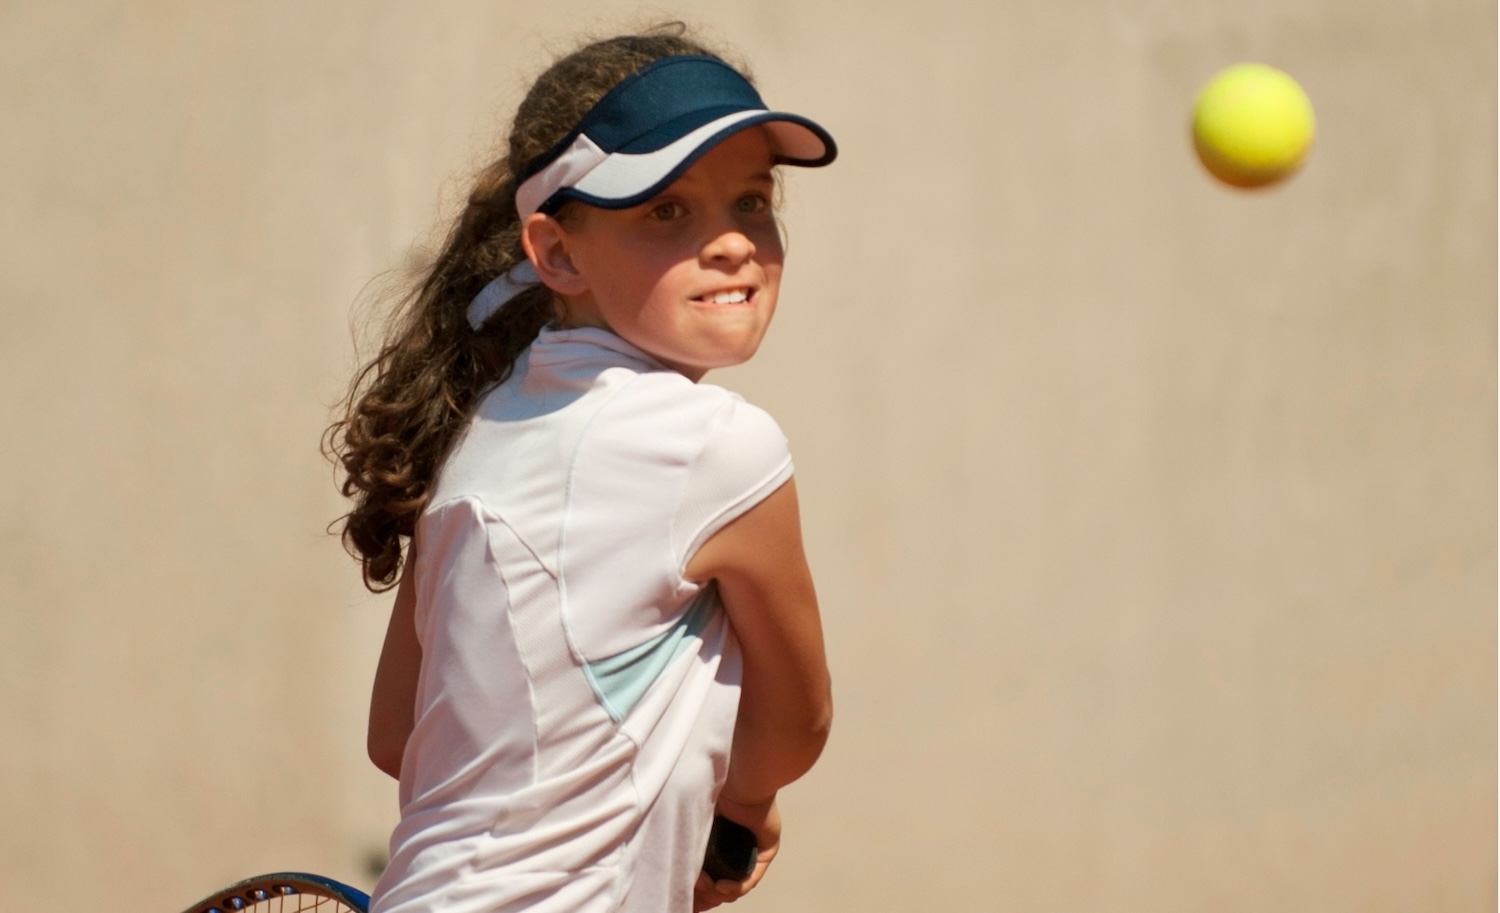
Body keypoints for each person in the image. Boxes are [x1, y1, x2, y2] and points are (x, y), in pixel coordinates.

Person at [325, 24, 836, 913]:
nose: (731, 242)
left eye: (751, 202)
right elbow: (798, 722)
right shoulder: (718, 444)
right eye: (666, 210)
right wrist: (743, 801)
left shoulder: (476, 432)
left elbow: (395, 734)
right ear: (557, 252)